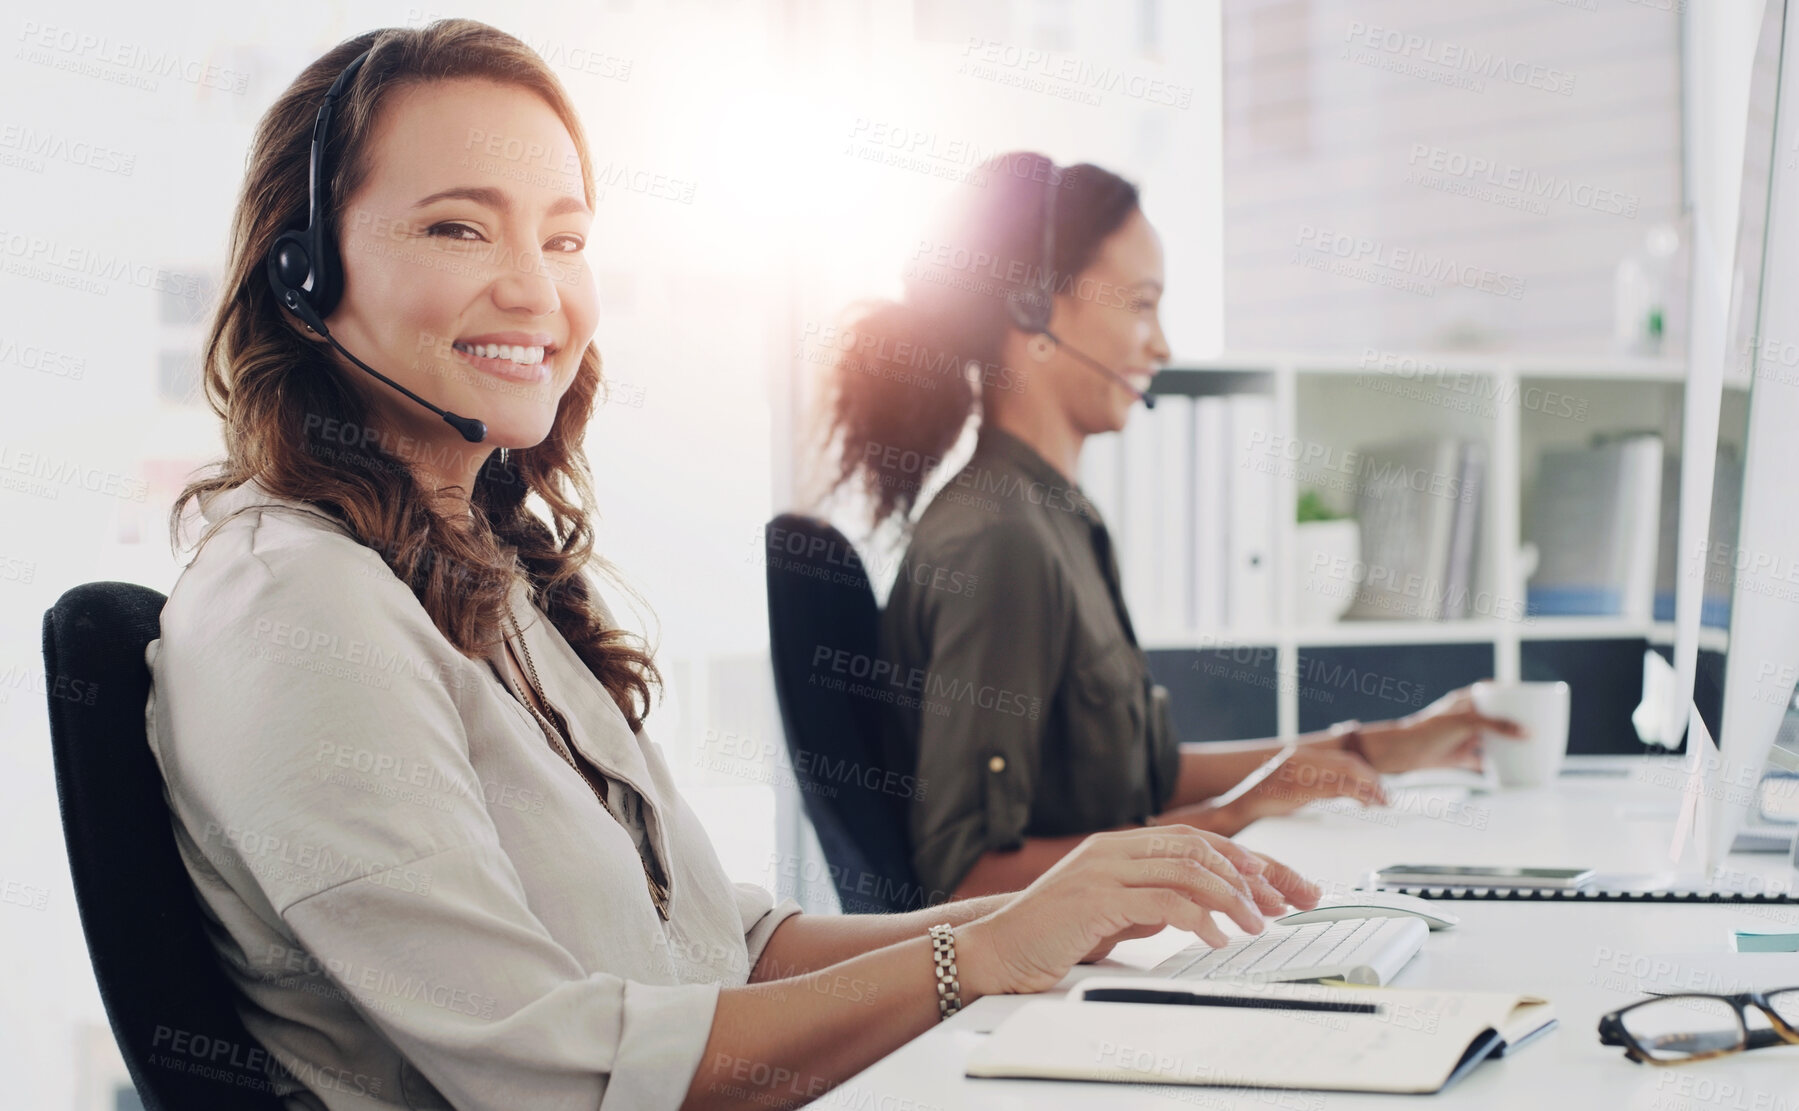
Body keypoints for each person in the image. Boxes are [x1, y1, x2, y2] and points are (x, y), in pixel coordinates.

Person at [146, 22, 1321, 1111]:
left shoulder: (480, 576)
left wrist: (1048, 912)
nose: (535, 288)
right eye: (458, 225)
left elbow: (729, 945)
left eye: (563, 237)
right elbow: (567, 1077)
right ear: (303, 276)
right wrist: (976, 954)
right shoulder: (297, 603)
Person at [816, 151, 1525, 903]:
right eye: (1141, 305)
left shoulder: (1055, 516)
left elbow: (1137, 779)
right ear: (1031, 308)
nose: (1161, 346)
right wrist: (1231, 819)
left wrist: (1376, 748)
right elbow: (968, 881)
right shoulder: (1001, 544)